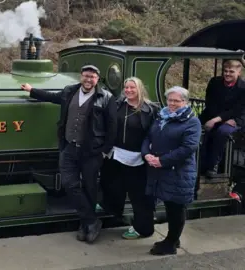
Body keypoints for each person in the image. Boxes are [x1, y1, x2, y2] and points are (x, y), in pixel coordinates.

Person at [21, 65, 117, 243]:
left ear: (98, 79)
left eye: (93, 77)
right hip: (69, 147)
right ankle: (91, 220)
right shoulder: (69, 91)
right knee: (69, 183)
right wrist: (32, 90)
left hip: (92, 151)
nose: (89, 80)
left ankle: (85, 224)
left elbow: (112, 127)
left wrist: (104, 151)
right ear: (81, 76)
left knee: (90, 187)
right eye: (86, 76)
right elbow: (52, 97)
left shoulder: (107, 98)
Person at [142, 86, 202, 255]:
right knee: (169, 204)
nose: (173, 104)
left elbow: (188, 148)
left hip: (179, 171)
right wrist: (146, 154)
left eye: (177, 101)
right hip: (160, 169)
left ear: (185, 102)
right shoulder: (162, 116)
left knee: (176, 206)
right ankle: (173, 238)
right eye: (170, 100)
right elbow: (149, 137)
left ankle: (171, 243)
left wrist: (162, 160)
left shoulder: (192, 122)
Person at [99, 77, 158, 240]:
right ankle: (111, 210)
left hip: (137, 157)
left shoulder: (151, 109)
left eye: (132, 87)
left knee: (138, 195)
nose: (129, 90)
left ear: (139, 89)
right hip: (115, 154)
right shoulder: (117, 104)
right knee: (112, 185)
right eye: (126, 87)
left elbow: (154, 134)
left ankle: (143, 228)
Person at [199, 59, 245, 178]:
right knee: (197, 128)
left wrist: (218, 120)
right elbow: (209, 102)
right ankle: (198, 163)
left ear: (238, 72)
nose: (227, 74)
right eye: (225, 71)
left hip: (234, 118)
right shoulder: (214, 82)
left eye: (231, 71)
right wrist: (214, 119)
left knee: (222, 132)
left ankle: (214, 165)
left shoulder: (243, 88)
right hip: (212, 114)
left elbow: (237, 109)